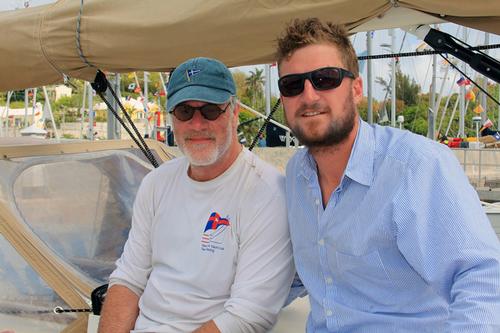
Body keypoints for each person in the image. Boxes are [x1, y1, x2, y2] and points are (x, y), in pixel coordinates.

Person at [276, 18, 500, 332]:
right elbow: (305, 275)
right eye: (292, 84)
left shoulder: (416, 166)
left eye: (325, 79)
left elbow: (484, 279)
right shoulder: (296, 175)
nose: (309, 95)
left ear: (356, 89)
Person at [98, 57, 294, 333]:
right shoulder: (156, 183)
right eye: (184, 112)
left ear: (234, 112)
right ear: (172, 118)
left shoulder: (268, 194)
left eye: (211, 110)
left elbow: (248, 315)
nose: (197, 124)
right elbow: (128, 279)